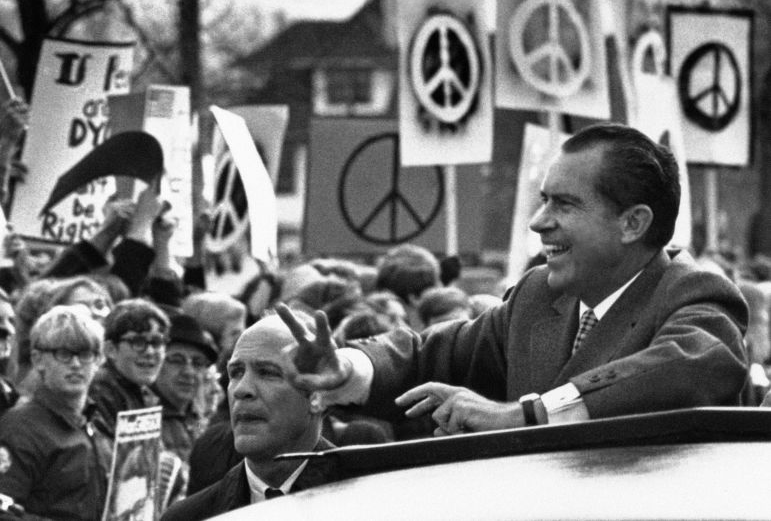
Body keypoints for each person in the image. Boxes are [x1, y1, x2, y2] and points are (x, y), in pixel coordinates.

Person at [277, 123, 749, 435]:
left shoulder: (693, 294)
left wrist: (525, 415)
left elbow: (688, 367)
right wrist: (346, 369)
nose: (538, 222)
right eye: (543, 200)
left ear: (633, 223)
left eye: (564, 204)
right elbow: (433, 355)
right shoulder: (537, 297)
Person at [161, 314, 334, 520]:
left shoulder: (369, 500)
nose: (241, 389)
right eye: (236, 372)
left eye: (267, 372)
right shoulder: (189, 517)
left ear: (318, 394)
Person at [0, 304, 111, 518]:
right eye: (64, 354)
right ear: (38, 359)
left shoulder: (97, 424)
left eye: (85, 354)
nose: (76, 364)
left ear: (98, 360)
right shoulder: (19, 429)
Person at [90, 298, 170, 438]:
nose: (149, 352)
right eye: (138, 342)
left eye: (157, 342)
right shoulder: (100, 394)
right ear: (110, 349)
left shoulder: (142, 392)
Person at [152, 314, 218, 463]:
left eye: (198, 363)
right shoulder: (146, 418)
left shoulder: (198, 418)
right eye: (177, 360)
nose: (189, 372)